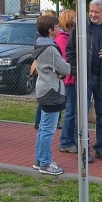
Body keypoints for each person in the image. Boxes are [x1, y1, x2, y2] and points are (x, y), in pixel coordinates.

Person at [66, 0, 102, 163]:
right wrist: (77, 71)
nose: (92, 14)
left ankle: (101, 148)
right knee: (82, 114)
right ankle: (83, 149)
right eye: (91, 11)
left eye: (96, 12)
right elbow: (70, 51)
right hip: (85, 77)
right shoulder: (81, 27)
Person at [32, 15, 70, 175]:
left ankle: (40, 159)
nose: (59, 29)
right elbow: (65, 69)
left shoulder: (39, 43)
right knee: (48, 128)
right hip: (51, 90)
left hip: (44, 88)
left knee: (43, 128)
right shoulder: (50, 48)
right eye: (56, 27)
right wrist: (65, 68)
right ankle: (46, 163)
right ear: (50, 30)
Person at [56, 9, 78, 153]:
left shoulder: (66, 37)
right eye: (75, 18)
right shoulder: (63, 39)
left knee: (73, 110)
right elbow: (67, 60)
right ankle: (66, 142)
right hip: (70, 79)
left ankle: (69, 140)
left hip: (72, 78)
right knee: (71, 111)